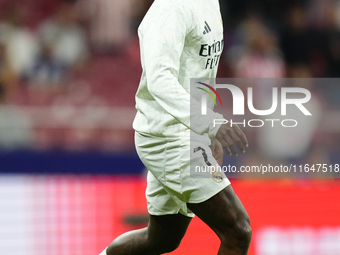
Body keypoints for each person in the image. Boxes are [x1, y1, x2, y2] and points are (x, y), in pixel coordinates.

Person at [100, 0, 251, 254]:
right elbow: (160, 80)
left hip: (187, 133)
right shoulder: (169, 10)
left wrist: (205, 132)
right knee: (237, 230)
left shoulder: (209, 3)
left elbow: (199, 76)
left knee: (162, 239)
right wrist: (211, 124)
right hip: (169, 137)